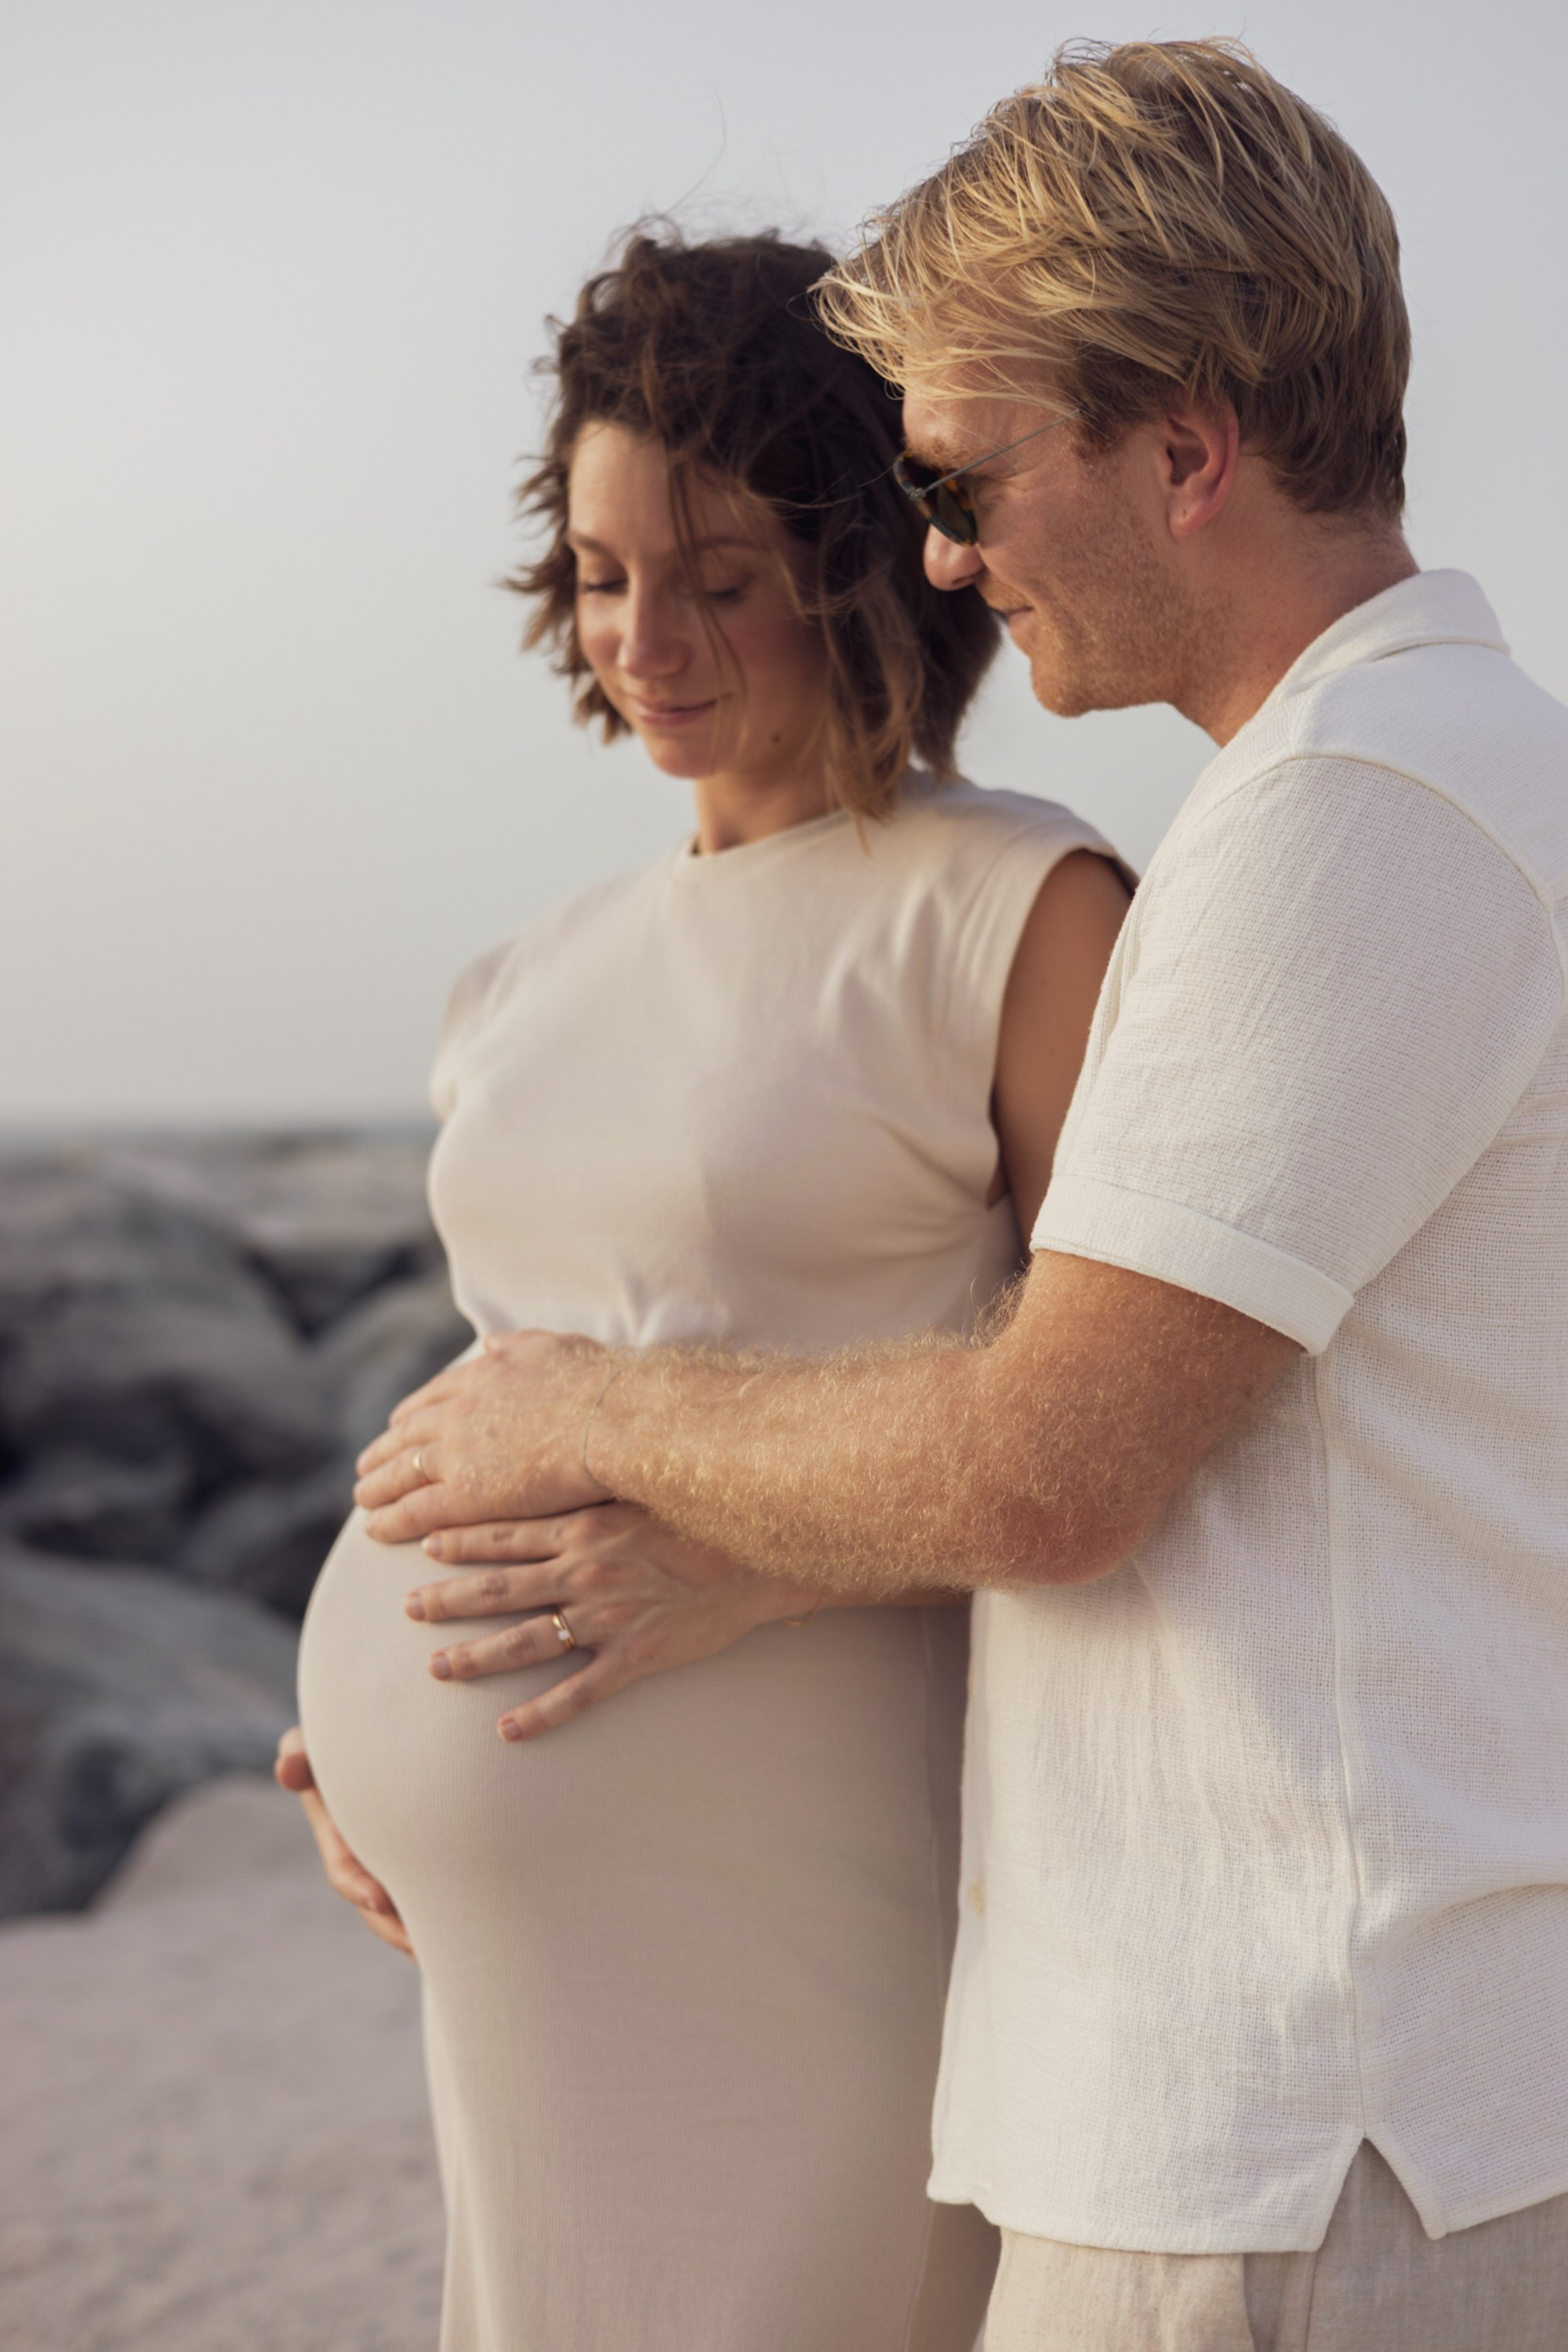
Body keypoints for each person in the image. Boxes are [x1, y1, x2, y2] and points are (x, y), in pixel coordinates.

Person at [354, 42, 1568, 2352]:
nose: (941, 551)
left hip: (1301, 2136)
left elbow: (1043, 1463)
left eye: (974, 470)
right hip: (1273, 2121)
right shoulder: (1386, 793)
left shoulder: (1356, 822)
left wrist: (576, 1414)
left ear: (1191, 443)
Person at [281, 227, 1132, 2352]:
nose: (646, 637)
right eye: (598, 571)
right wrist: (354, 1740)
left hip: (823, 1904)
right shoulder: (517, 984)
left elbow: (1139, 1433)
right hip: (515, 1970)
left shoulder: (1018, 915)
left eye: (722, 571)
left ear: (865, 560)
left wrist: (772, 1567)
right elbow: (519, 1384)